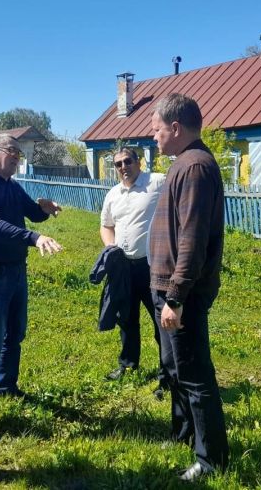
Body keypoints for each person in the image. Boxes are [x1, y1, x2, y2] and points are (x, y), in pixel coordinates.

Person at [149, 93, 229, 482]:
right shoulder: (184, 163)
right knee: (174, 367)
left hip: (182, 293)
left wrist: (176, 297)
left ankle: (211, 460)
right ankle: (184, 435)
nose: (153, 137)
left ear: (175, 128)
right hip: (167, 288)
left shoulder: (195, 167)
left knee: (195, 374)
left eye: (156, 129)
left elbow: (193, 241)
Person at [0, 134, 62, 440]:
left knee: (14, 334)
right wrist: (34, 238)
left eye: (20, 153)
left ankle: (5, 387)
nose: (18, 157)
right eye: (13, 152)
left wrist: (44, 208)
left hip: (16, 271)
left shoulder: (10, 186)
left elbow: (31, 213)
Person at [100, 146, 168, 399]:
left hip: (152, 266)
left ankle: (167, 375)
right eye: (117, 164)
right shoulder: (114, 194)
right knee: (126, 319)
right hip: (124, 268)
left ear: (138, 162)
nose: (122, 167)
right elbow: (106, 226)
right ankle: (128, 365)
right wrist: (111, 247)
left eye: (127, 161)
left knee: (161, 321)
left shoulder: (156, 182)